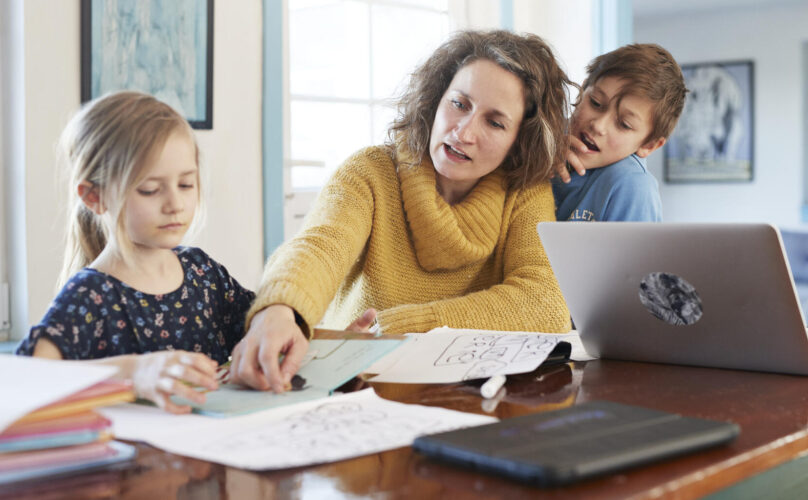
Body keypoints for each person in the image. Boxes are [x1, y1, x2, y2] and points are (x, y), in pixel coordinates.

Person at [230, 30, 576, 393]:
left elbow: (543, 305)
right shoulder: (370, 172)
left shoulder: (524, 193)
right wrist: (280, 310)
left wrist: (402, 325)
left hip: (460, 398)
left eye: (494, 122)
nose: (463, 132)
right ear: (435, 99)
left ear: (519, 139)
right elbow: (319, 247)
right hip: (353, 388)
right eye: (459, 103)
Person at [15, 91, 255, 413]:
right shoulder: (90, 296)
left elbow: (262, 322)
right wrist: (133, 373)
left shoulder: (204, 273)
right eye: (150, 190)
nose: (175, 204)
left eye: (186, 184)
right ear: (94, 197)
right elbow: (24, 380)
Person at [552, 43, 688, 222]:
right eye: (595, 103)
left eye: (624, 124)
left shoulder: (632, 186)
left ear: (649, 145)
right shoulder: (540, 137)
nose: (599, 126)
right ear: (582, 92)